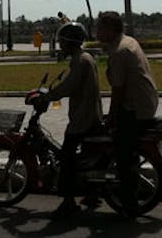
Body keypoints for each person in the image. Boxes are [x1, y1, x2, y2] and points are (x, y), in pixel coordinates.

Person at [96, 10, 158, 217]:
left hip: (135, 108)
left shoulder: (120, 51)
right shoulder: (128, 42)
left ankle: (130, 204)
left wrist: (112, 115)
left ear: (111, 29)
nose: (97, 31)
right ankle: (94, 192)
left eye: (100, 27)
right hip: (145, 102)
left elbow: (118, 89)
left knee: (123, 155)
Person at [38, 22, 103, 219]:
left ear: (70, 42)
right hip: (91, 115)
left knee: (66, 158)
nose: (60, 45)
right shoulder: (85, 57)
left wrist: (47, 97)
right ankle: (93, 194)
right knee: (88, 158)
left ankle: (68, 202)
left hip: (82, 119)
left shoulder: (79, 61)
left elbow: (68, 86)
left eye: (62, 41)